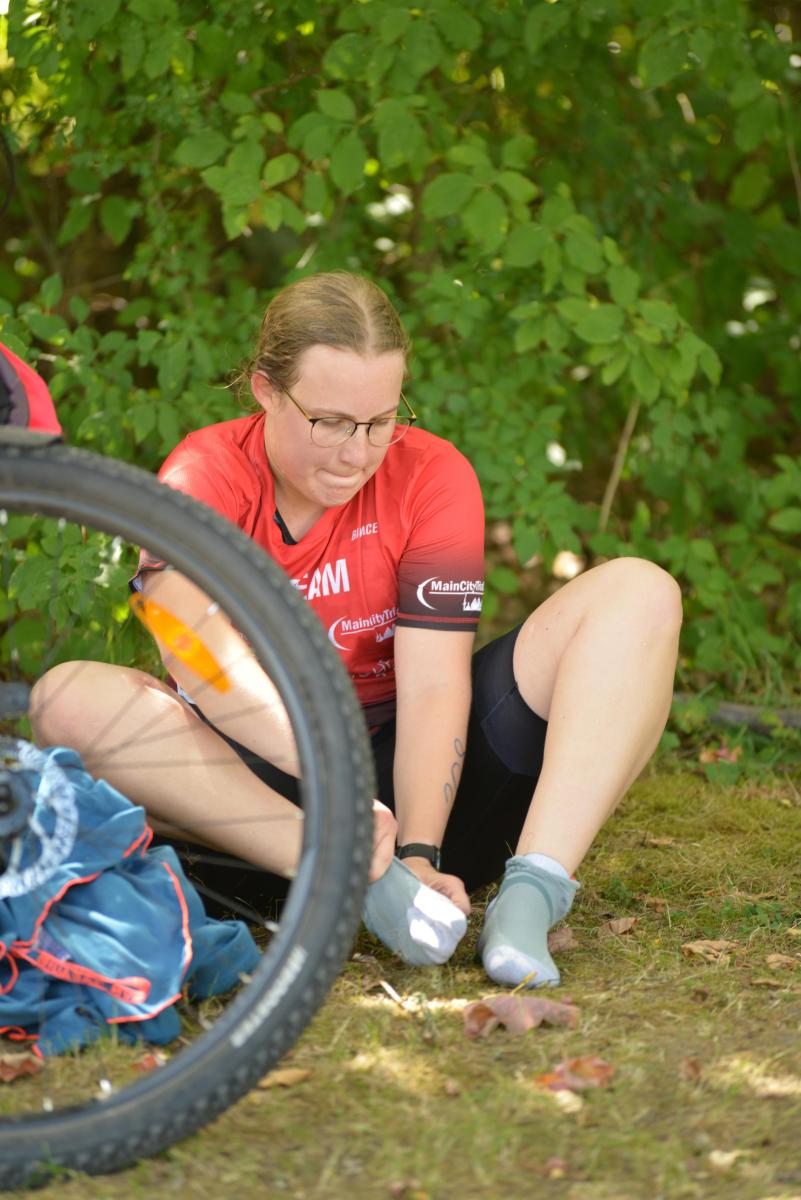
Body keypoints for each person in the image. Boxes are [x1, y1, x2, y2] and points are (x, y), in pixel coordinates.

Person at [30, 271, 682, 988]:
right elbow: (200, 663)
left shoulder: (430, 473)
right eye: (331, 422)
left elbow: (434, 685)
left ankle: (530, 896)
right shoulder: (204, 472)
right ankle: (346, 869)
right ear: (265, 390)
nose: (356, 453)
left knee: (639, 592)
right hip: (255, 797)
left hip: (413, 794)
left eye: (380, 422)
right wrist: (340, 794)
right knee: (67, 697)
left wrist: (419, 852)